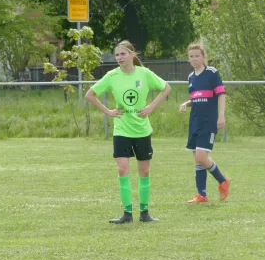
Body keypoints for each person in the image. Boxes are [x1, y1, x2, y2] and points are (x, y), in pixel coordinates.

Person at [85, 40, 172, 223]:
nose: (119, 58)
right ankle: (126, 214)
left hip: (141, 130)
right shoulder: (112, 76)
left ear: (132, 55)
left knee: (144, 172)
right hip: (122, 130)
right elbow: (90, 94)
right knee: (122, 170)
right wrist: (108, 111)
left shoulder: (144, 74)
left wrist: (150, 107)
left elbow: (166, 88)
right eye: (117, 55)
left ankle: (145, 213)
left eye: (123, 54)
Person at [179, 42, 230, 203]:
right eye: (191, 57)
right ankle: (202, 194)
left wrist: (221, 116)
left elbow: (221, 95)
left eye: (197, 56)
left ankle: (223, 181)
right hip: (195, 121)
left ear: (203, 57)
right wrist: (186, 104)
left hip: (208, 121)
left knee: (201, 156)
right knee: (197, 158)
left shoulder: (212, 73)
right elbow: (197, 98)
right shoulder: (191, 77)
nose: (194, 59)